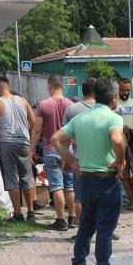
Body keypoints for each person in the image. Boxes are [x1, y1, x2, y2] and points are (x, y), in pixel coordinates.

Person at [50, 77, 127, 265]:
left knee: (86, 227)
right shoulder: (113, 118)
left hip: (85, 179)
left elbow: (55, 139)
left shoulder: (80, 119)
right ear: (113, 97)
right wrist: (119, 162)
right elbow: (118, 141)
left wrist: (70, 159)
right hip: (106, 181)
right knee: (104, 229)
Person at [0, 76, 36, 221]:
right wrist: (31, 145)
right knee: (27, 177)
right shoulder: (23, 101)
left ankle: (18, 214)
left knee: (11, 179)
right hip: (24, 144)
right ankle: (31, 212)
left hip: (8, 145)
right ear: (8, 86)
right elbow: (34, 124)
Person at [30, 75, 75, 230]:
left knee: (56, 186)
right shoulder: (71, 105)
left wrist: (31, 149)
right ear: (62, 85)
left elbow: (37, 129)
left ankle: (60, 220)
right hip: (68, 150)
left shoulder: (43, 105)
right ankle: (73, 218)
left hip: (50, 149)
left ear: (50, 85)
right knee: (69, 186)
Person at [62, 77, 98, 231]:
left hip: (78, 159)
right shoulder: (103, 108)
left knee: (80, 197)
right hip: (100, 160)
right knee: (101, 197)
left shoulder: (72, 109)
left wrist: (65, 159)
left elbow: (64, 137)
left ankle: (83, 232)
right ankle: (104, 231)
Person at [115, 77, 133, 210]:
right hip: (121, 144)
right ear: (118, 89)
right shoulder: (114, 104)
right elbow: (111, 124)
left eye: (127, 90)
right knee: (125, 174)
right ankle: (132, 200)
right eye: (122, 90)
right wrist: (121, 128)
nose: (125, 92)